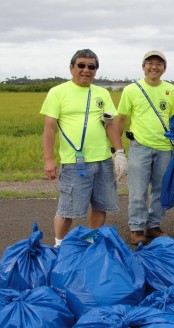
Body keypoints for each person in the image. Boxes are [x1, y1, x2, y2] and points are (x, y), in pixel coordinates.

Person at [41, 49, 127, 247]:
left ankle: (90, 244)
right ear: (72, 67)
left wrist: (120, 153)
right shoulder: (57, 92)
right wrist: (49, 159)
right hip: (74, 162)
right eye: (81, 65)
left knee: (100, 206)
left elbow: (110, 124)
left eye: (91, 67)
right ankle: (59, 245)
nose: (86, 70)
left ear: (96, 70)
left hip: (103, 160)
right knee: (68, 210)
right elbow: (49, 128)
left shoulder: (102, 93)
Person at [117, 50, 174, 245]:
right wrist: (117, 149)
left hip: (165, 148)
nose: (154, 67)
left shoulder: (171, 90)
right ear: (143, 67)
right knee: (138, 190)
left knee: (160, 190)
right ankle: (136, 227)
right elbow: (121, 119)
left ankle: (153, 225)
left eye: (159, 64)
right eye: (150, 63)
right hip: (140, 147)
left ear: (164, 68)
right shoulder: (131, 90)